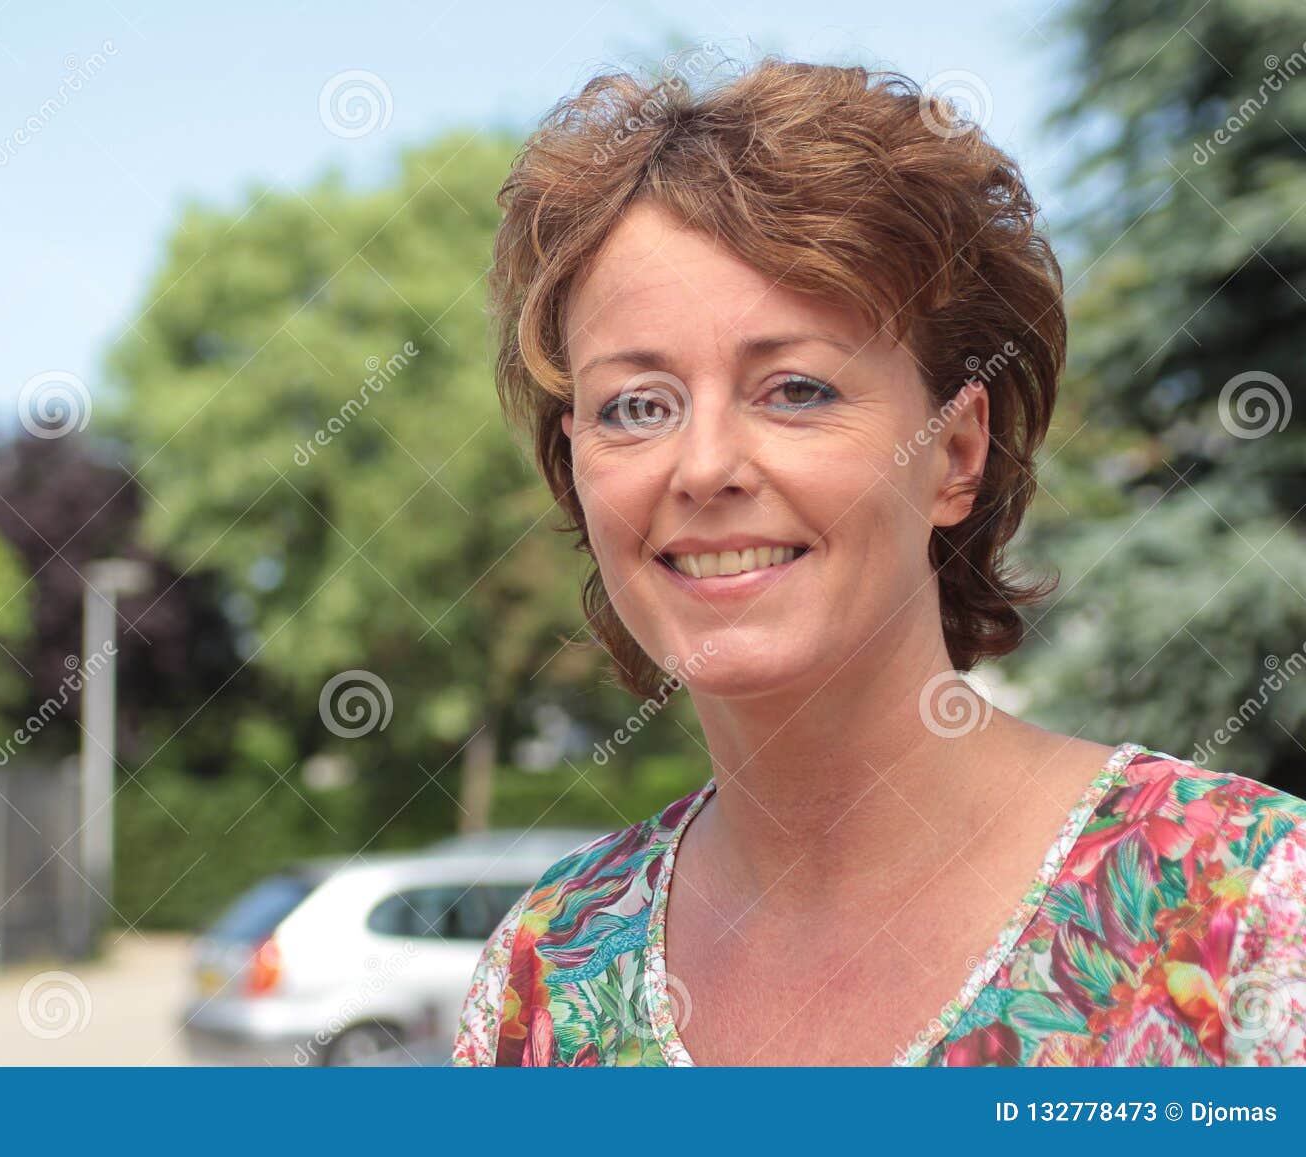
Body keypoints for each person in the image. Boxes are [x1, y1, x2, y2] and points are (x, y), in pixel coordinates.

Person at [450, 57, 1306, 1066]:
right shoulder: (545, 973)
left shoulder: (1242, 911)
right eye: (635, 404)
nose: (705, 464)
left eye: (797, 389)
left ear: (954, 453)